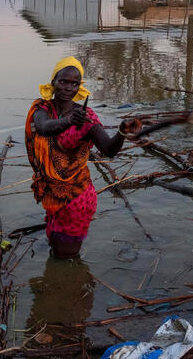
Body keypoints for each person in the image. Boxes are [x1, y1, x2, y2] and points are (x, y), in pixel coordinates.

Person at [25, 56, 140, 258]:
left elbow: (109, 149)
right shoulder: (41, 108)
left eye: (75, 83)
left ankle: (74, 286)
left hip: (76, 199)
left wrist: (122, 132)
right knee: (55, 249)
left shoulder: (86, 117)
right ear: (53, 82)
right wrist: (68, 121)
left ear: (79, 87)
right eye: (64, 81)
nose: (69, 88)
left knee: (65, 260)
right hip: (52, 195)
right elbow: (43, 128)